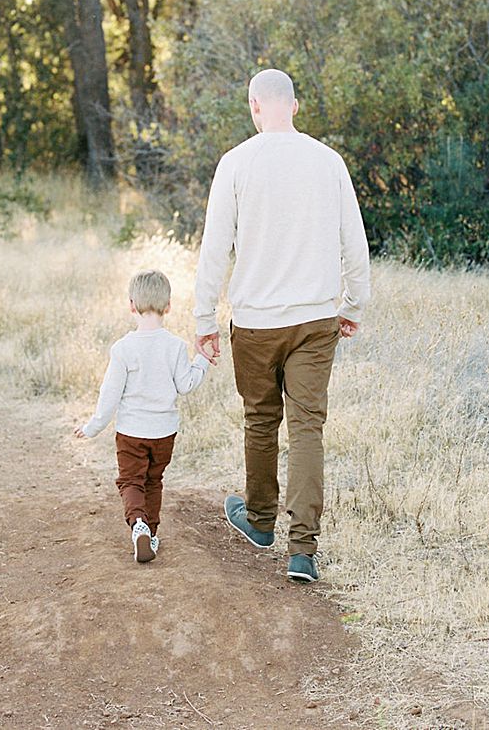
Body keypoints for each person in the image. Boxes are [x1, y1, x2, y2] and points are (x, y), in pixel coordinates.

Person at [193, 68, 371, 584]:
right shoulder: (328, 162)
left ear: (254, 106)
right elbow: (354, 245)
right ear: (294, 106)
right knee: (308, 426)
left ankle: (260, 519)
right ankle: (302, 551)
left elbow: (213, 250)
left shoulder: (235, 164)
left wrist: (204, 318)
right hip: (316, 319)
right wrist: (353, 305)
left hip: (255, 323)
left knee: (260, 419)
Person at [75, 270, 210, 563]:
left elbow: (109, 395)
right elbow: (186, 385)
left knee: (130, 481)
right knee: (153, 481)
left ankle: (139, 524)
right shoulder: (175, 346)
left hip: (132, 432)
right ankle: (153, 532)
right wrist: (203, 359)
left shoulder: (124, 348)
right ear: (169, 306)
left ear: (131, 305)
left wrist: (93, 426)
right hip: (164, 432)